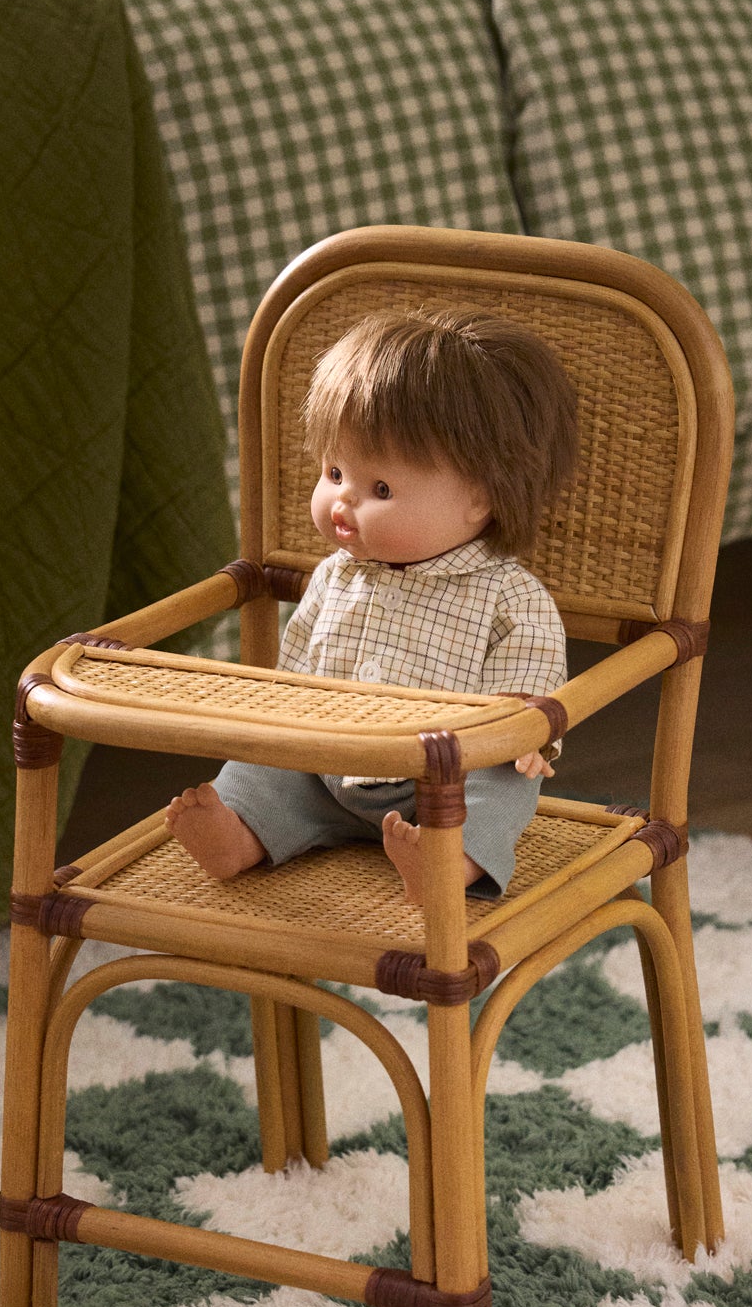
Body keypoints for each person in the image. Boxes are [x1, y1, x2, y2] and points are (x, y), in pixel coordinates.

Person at [166, 304, 577, 904]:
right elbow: (300, 668)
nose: (341, 501)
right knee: (266, 770)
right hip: (329, 765)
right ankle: (237, 832)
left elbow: (533, 688)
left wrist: (528, 739)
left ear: (480, 500)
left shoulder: (507, 594)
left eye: (379, 489)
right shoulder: (335, 576)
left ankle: (447, 860)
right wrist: (281, 723)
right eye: (335, 471)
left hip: (439, 779)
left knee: (500, 789)